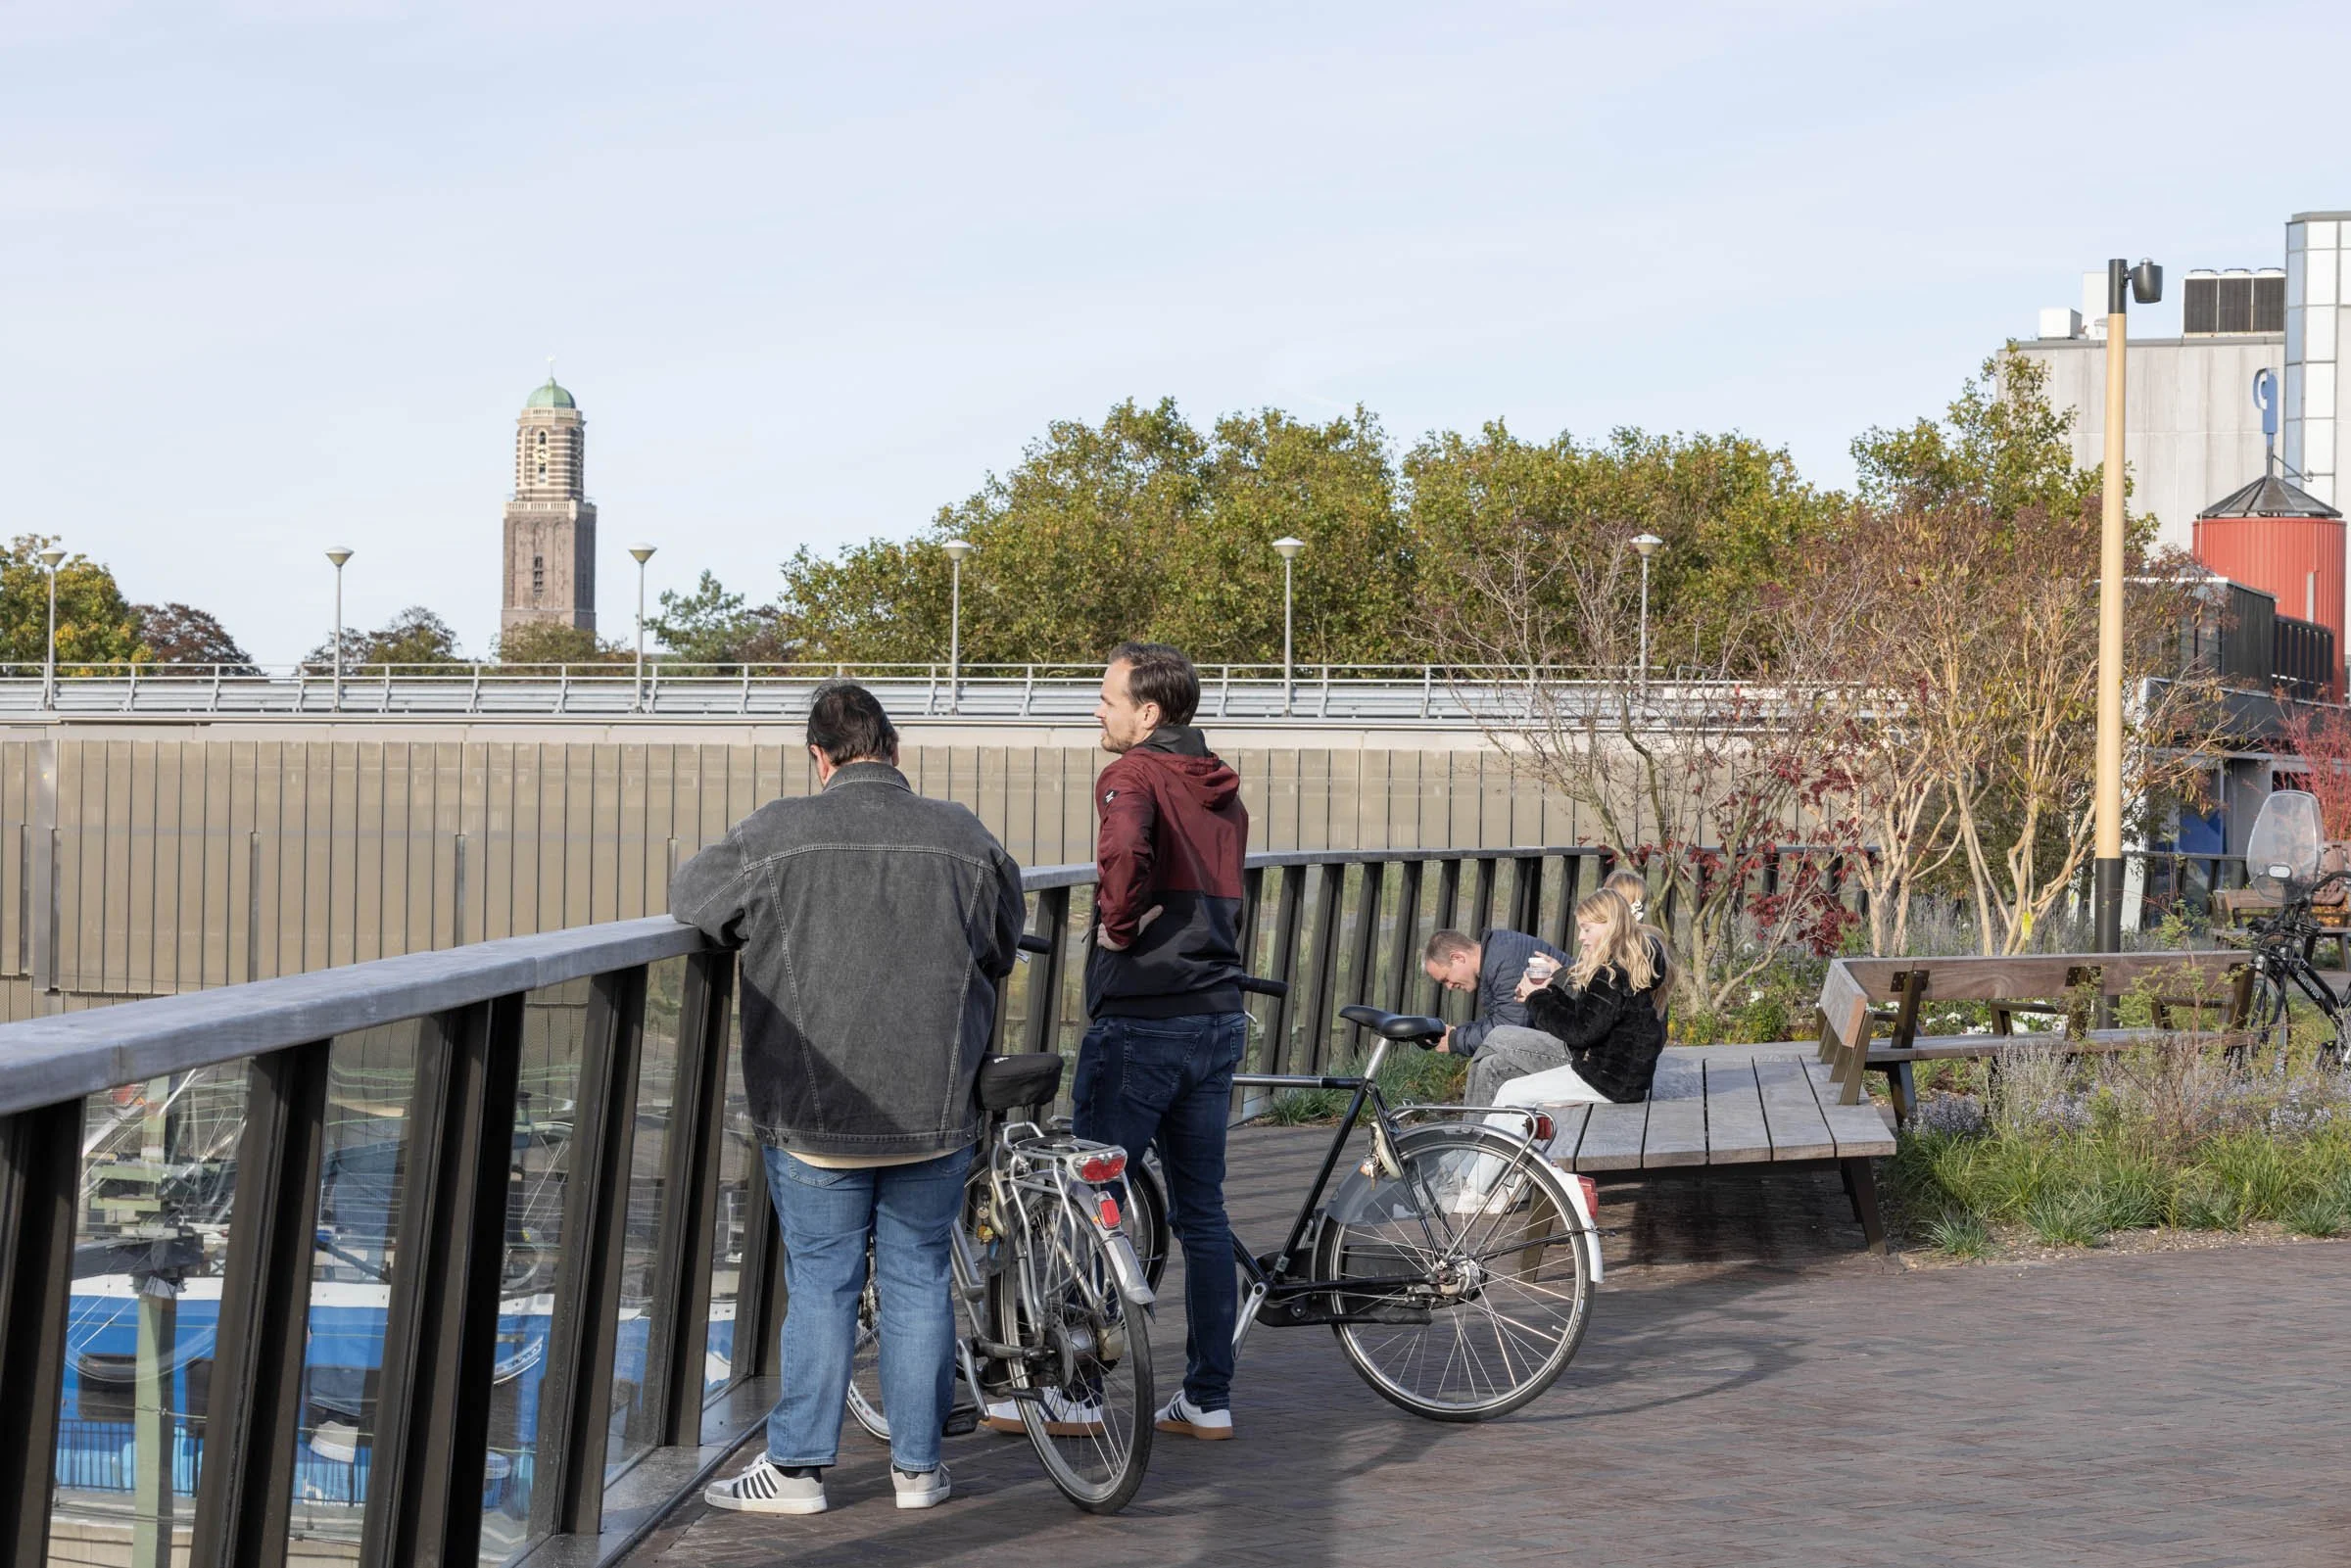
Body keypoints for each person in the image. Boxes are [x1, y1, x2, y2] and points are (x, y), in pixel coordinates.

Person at [672, 682, 1025, 1516]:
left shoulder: (776, 830)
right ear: (895, 752)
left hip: (814, 1113)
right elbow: (1003, 943)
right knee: (916, 1280)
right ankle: (918, 1471)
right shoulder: (962, 832)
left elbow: (694, 898)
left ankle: (795, 1472)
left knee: (825, 1284)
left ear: (817, 757)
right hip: (934, 1110)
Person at [1074, 641, 1250, 1442]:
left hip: (1142, 1017)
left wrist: (1116, 927)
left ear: (1148, 712)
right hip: (1215, 1015)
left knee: (1095, 1201)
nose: (1099, 710)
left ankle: (1076, 1391)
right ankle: (1208, 1395)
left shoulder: (1133, 775)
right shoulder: (1221, 789)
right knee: (1202, 1213)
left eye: (1108, 698)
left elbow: (1125, 852)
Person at [1492, 889, 1670, 1110]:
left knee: (1511, 1092)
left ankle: (1485, 1144)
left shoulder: (1609, 975)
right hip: (1618, 1081)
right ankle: (1500, 1144)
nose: (1580, 937)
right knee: (1519, 1091)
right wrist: (1548, 993)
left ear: (1610, 926)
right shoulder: (1622, 969)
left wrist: (1535, 998)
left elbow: (1579, 1032)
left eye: (1587, 929)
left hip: (1604, 1083)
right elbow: (1588, 1017)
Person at [1421, 927, 1573, 1106]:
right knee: (1486, 1063)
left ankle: (1480, 1132)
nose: (1449, 986)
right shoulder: (1497, 953)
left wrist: (1455, 1039)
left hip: (1576, 1049)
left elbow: (1510, 1028)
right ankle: (1478, 1129)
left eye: (1446, 978)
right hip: (1567, 1037)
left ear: (1458, 958)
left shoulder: (1506, 961)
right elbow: (1505, 1020)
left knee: (1491, 1068)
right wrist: (1459, 1033)